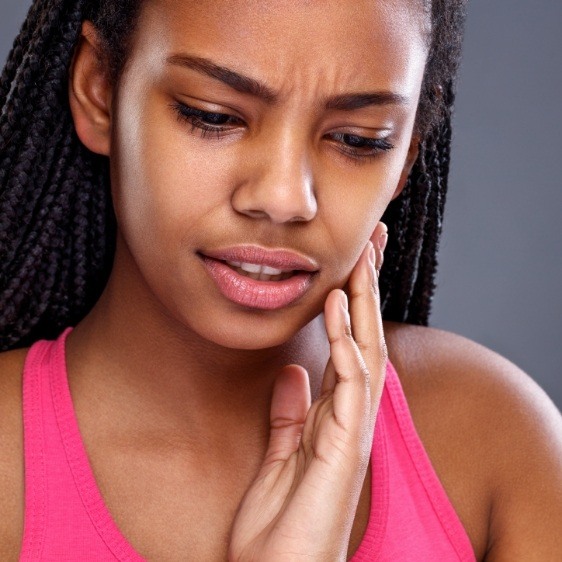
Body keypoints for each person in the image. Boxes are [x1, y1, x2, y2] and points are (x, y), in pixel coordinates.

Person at [0, 0, 561, 560]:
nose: (284, 199)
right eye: (213, 114)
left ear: (408, 151)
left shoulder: (500, 448)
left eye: (359, 139)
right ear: (99, 89)